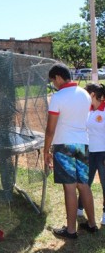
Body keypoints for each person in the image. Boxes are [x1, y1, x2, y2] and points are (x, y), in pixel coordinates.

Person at [44, 63, 98, 239]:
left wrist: (46, 150)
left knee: (69, 188)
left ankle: (71, 230)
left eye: (53, 81)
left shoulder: (58, 97)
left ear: (58, 78)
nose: (54, 84)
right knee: (84, 185)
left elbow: (50, 129)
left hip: (64, 146)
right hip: (83, 144)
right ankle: (92, 224)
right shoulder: (84, 94)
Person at [77, 83, 105, 225]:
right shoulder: (87, 110)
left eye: (86, 92)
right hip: (89, 152)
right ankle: (80, 207)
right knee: (85, 182)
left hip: (103, 153)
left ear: (93, 94)